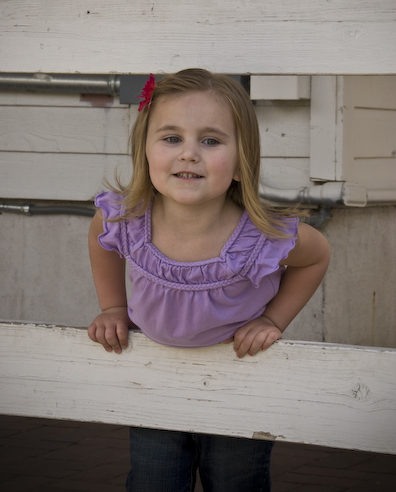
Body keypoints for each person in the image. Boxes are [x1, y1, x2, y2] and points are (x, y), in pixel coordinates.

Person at [88, 68, 331, 492]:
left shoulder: (258, 237)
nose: (189, 154)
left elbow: (317, 256)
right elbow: (99, 235)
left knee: (237, 483)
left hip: (239, 381)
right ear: (145, 150)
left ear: (241, 162)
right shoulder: (128, 219)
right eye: (171, 138)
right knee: (153, 482)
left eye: (211, 141)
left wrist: (273, 320)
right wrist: (113, 306)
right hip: (155, 381)